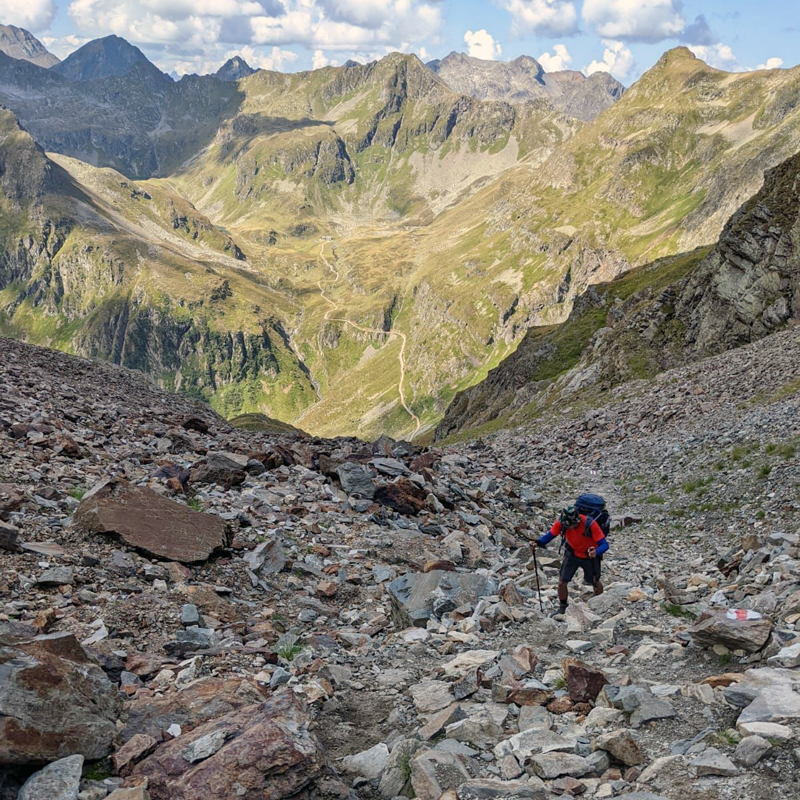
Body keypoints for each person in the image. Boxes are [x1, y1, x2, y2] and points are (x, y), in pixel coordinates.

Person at [531, 505, 609, 615]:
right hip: (572, 553)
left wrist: (596, 552)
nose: (572, 527)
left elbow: (604, 544)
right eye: (569, 525)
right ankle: (562, 607)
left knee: (595, 582)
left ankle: (600, 604)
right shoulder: (561, 524)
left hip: (589, 556)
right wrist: (538, 542)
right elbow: (550, 535)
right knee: (562, 582)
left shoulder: (589, 523)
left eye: (574, 525)